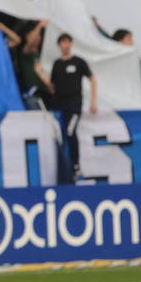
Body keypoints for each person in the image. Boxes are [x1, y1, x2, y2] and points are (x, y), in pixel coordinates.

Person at [49, 34, 97, 178]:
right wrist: (40, 75)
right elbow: (52, 86)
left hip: (74, 103)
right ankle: (64, 167)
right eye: (63, 42)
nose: (66, 45)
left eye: (68, 42)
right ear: (59, 45)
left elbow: (93, 79)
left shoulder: (78, 62)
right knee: (61, 134)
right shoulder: (57, 64)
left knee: (71, 131)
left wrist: (93, 102)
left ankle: (76, 166)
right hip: (59, 104)